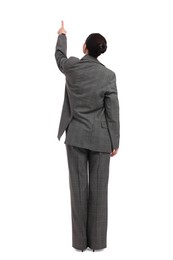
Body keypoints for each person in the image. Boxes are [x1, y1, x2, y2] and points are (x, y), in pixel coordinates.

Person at [55, 21, 120, 252]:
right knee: (99, 191)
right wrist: (115, 141)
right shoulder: (108, 76)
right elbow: (113, 111)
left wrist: (62, 35)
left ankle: (79, 244)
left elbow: (60, 57)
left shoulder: (72, 67)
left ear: (84, 47)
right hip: (102, 140)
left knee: (79, 189)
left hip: (76, 138)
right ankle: (98, 244)